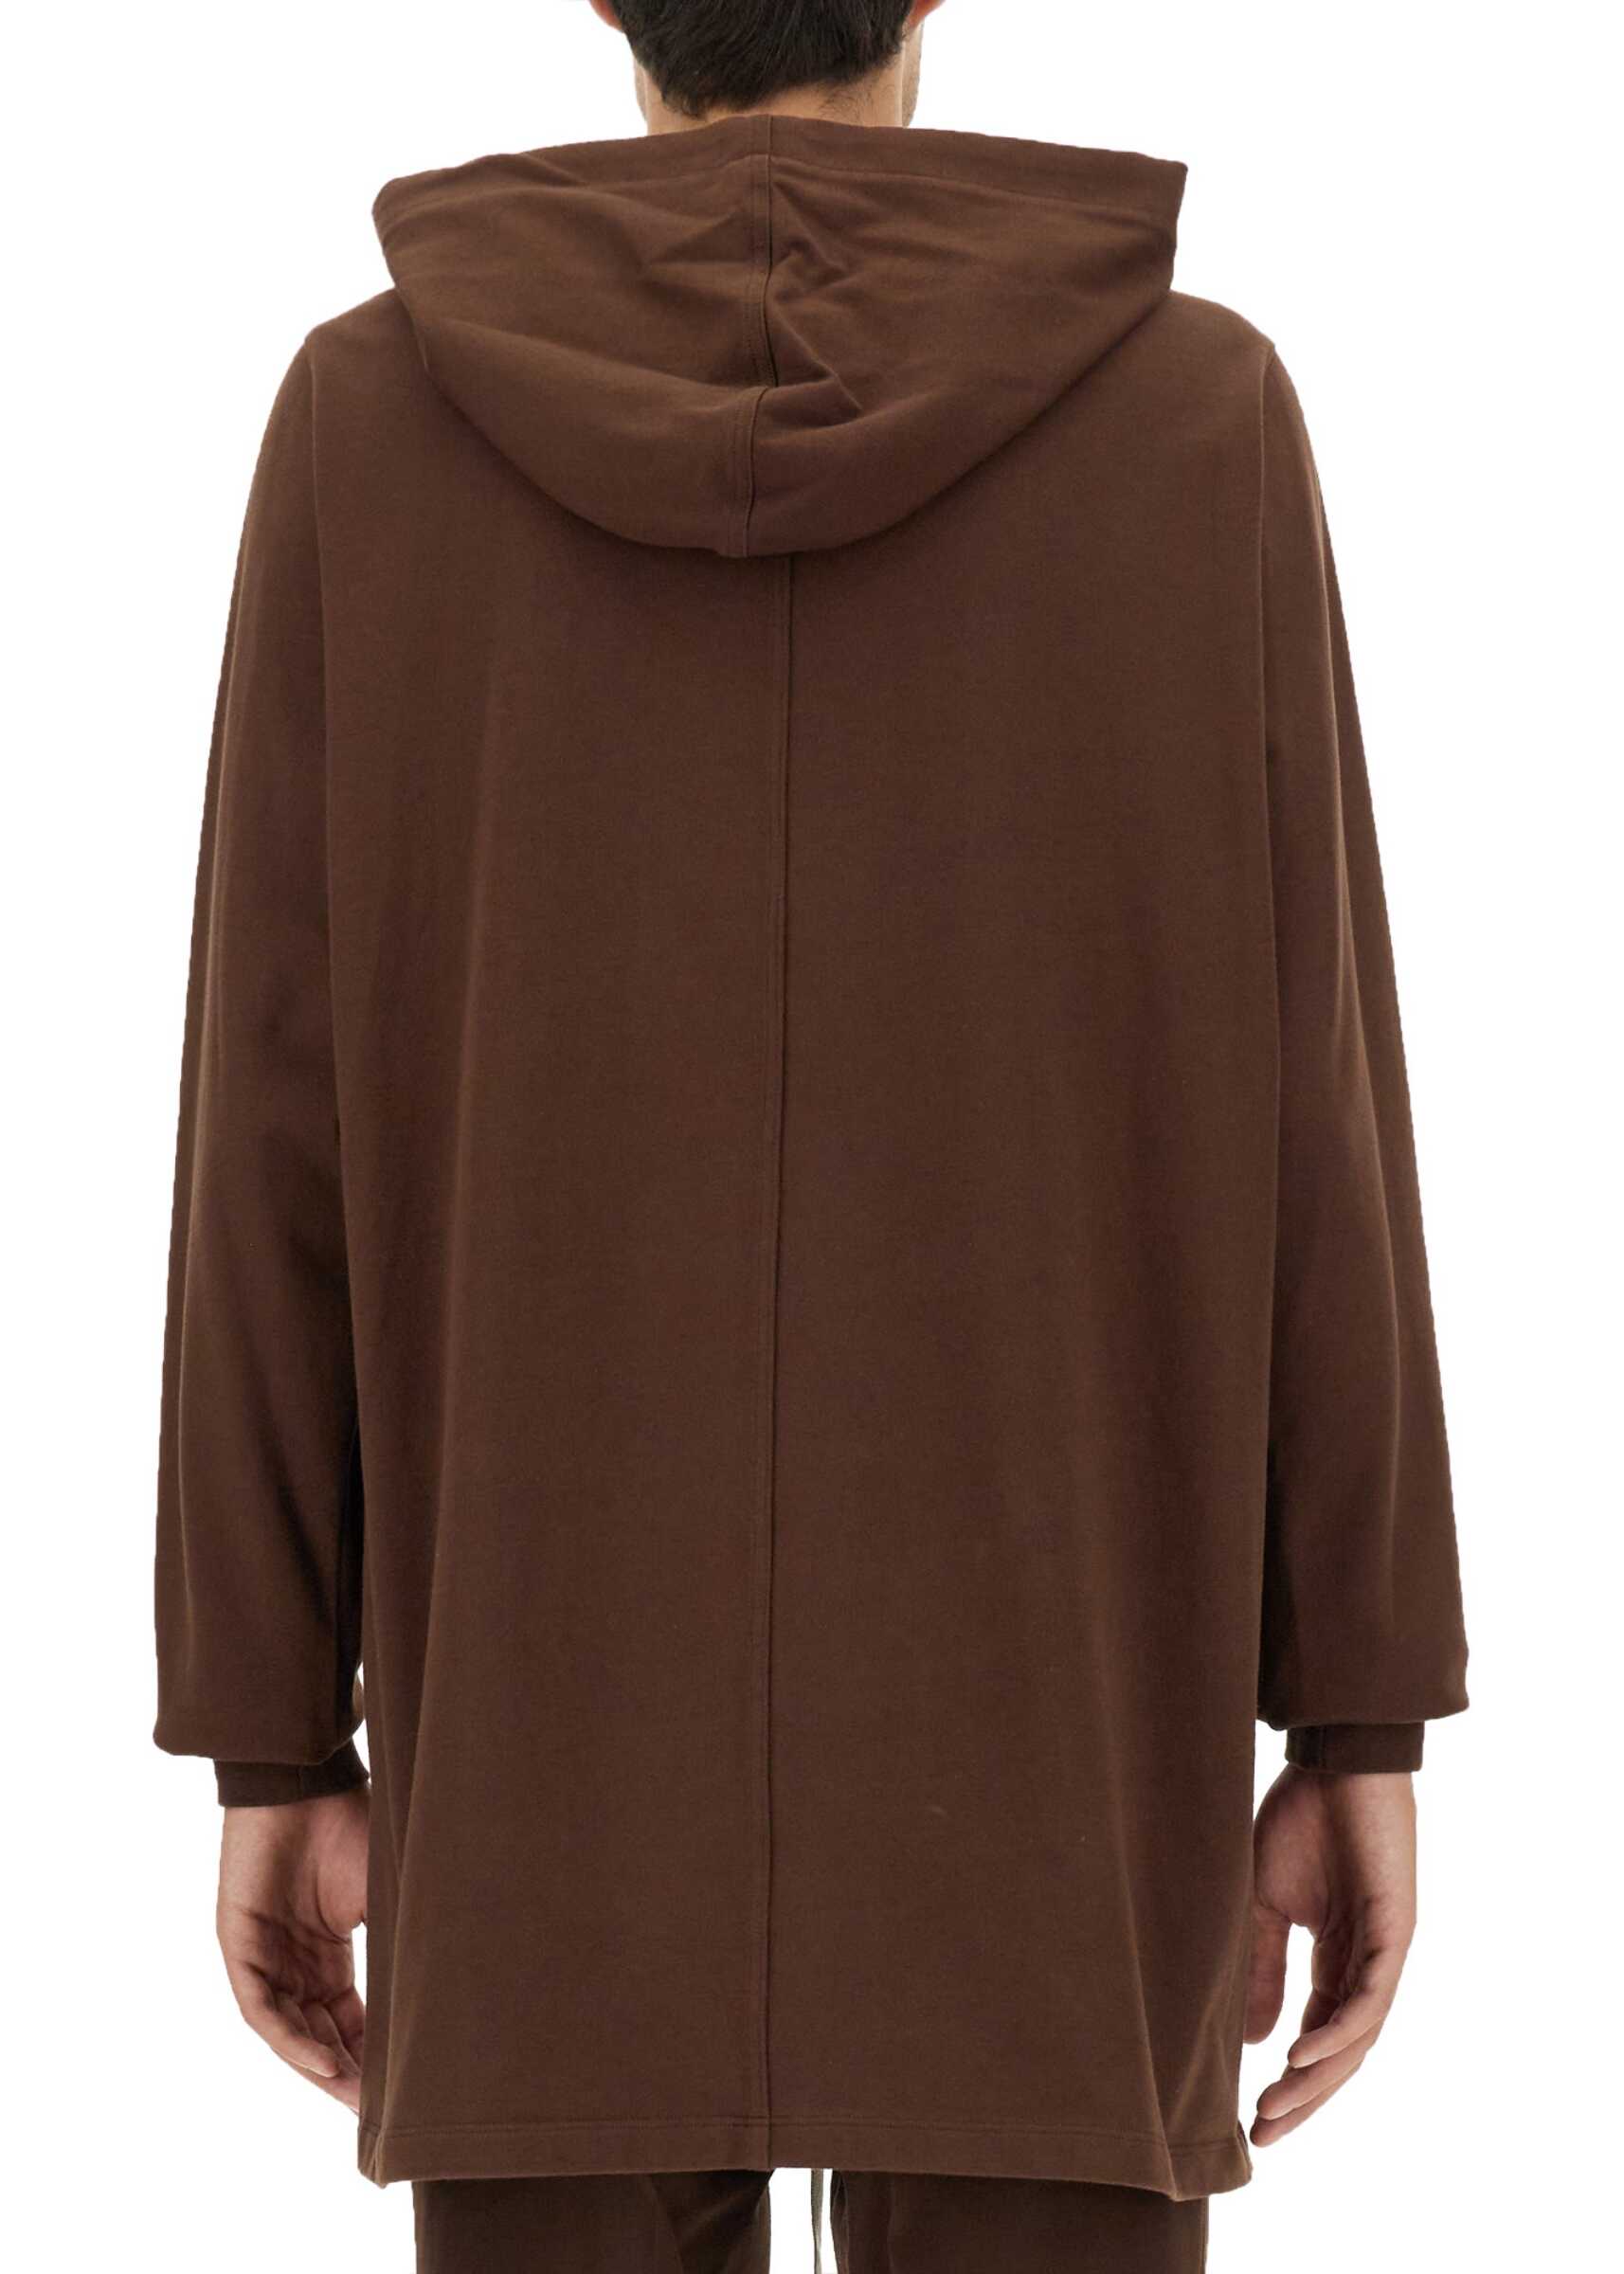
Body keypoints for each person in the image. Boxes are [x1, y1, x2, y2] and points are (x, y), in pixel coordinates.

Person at [153, 4, 1469, 2268]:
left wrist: (271, 1729)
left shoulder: (369, 425)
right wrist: (1355, 1703)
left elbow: (268, 1128)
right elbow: (1313, 1108)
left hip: (542, 1751)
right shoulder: (1195, 423)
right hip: (1058, 1760)